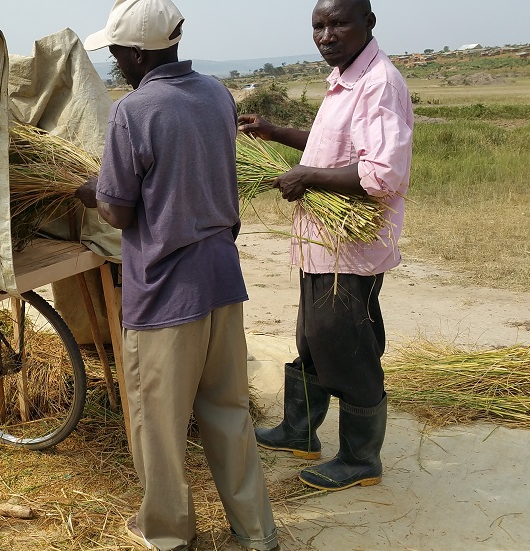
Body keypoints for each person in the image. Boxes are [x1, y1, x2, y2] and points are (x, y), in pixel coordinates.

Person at [76, 1, 279, 549]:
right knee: (229, 409)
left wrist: (92, 193)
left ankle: (167, 534)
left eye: (118, 53)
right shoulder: (216, 93)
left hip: (167, 289)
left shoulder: (133, 111)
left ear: (139, 54)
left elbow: (119, 211)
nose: (116, 62)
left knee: (158, 424)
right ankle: (256, 532)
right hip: (222, 276)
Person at [238, 0, 413, 492]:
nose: (326, 35)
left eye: (338, 23)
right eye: (318, 25)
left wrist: (308, 176)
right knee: (313, 340)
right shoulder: (345, 78)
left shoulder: (378, 83)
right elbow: (330, 147)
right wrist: (276, 133)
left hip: (349, 250)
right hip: (322, 244)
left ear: (368, 23)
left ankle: (361, 459)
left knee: (348, 349)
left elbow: (382, 173)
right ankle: (299, 431)